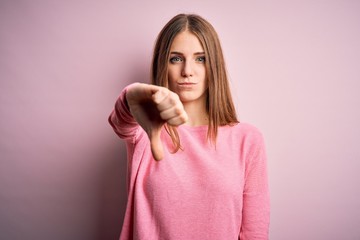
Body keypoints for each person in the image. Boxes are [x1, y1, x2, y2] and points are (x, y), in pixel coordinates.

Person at [108, 13, 270, 240]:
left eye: (200, 59)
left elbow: (254, 234)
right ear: (162, 64)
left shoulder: (247, 139)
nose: (187, 71)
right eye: (175, 58)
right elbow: (121, 120)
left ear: (214, 66)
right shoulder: (144, 129)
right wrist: (132, 95)